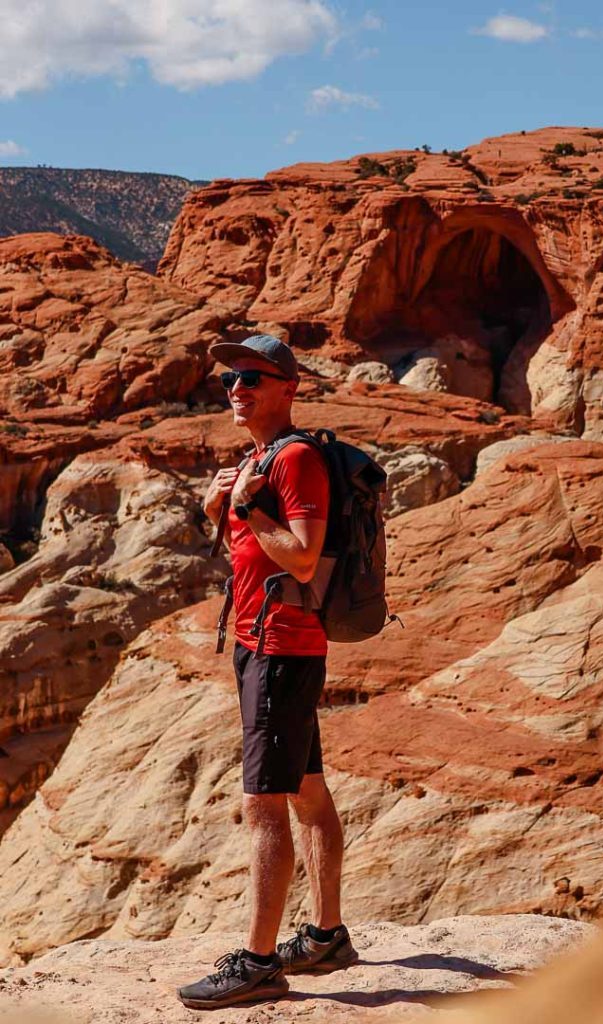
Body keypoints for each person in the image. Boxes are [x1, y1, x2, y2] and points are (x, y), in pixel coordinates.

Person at [177, 334, 357, 1011]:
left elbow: (304, 559)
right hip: (264, 643)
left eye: (254, 376)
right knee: (307, 790)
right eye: (231, 378)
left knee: (264, 805)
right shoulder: (257, 459)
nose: (237, 387)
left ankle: (258, 963)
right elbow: (248, 546)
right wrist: (216, 506)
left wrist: (249, 508)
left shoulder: (298, 459)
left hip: (281, 647)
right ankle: (325, 936)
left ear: (289, 388)